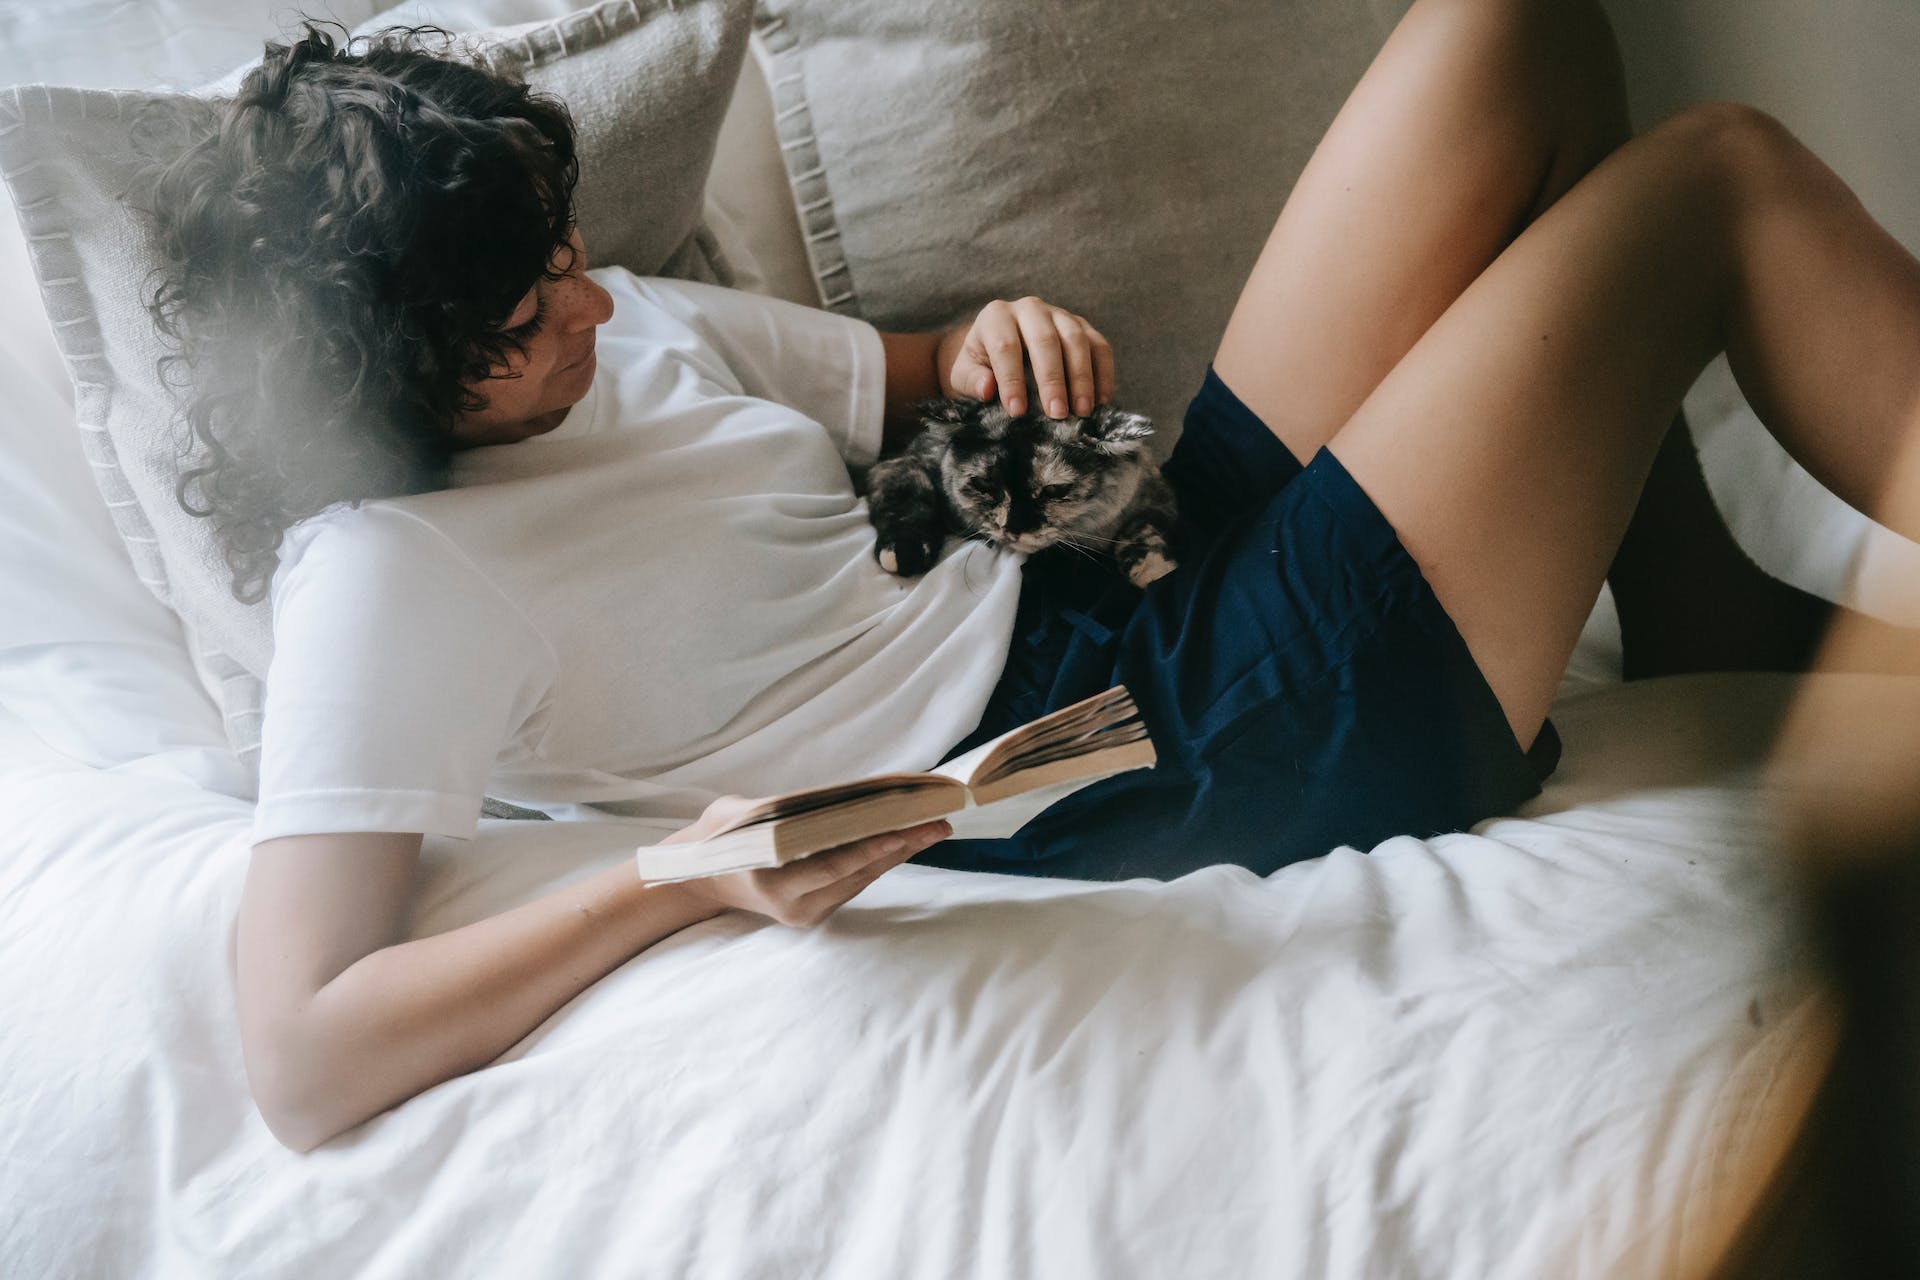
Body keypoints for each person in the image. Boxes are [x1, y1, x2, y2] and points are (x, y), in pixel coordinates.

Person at [147, 0, 1920, 1151]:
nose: (598, 305)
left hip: (1119, 582)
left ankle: (1690, 597)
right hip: (1135, 759)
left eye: (570, 248)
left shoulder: (617, 329)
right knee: (1713, 186)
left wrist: (992, 335)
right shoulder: (384, 577)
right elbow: (302, 1054)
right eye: (534, 317)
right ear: (393, 379)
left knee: (1517, 39)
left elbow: (919, 371)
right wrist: (671, 888)